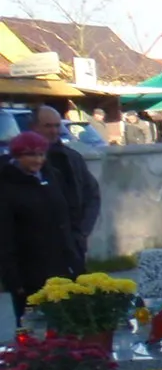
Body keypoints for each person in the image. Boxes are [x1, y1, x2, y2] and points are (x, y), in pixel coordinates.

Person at [0, 132, 80, 317]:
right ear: (17, 156)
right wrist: (13, 278)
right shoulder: (6, 186)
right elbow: (5, 236)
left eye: (41, 154)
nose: (37, 160)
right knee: (36, 327)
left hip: (62, 266)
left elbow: (67, 217)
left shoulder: (53, 177)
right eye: (30, 155)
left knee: (68, 323)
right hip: (29, 271)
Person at [35, 105, 100, 265]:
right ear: (34, 127)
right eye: (48, 126)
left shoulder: (72, 158)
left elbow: (92, 195)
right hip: (34, 249)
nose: (53, 131)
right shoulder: (19, 163)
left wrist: (82, 232)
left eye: (57, 125)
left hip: (72, 244)